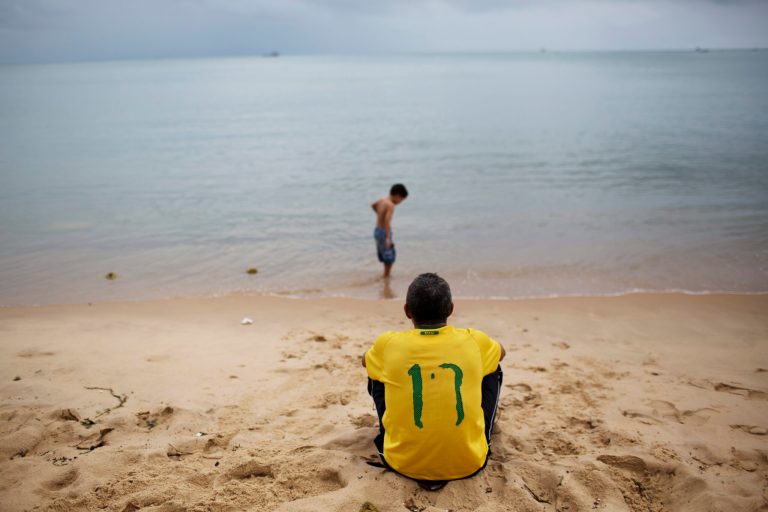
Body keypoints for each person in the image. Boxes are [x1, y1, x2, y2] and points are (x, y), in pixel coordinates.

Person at [362, 273, 505, 490]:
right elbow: (502, 353)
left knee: (377, 373)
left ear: (407, 311)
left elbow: (364, 361)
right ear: (451, 309)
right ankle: (484, 428)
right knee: (493, 368)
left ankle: (395, 433)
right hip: (470, 462)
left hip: (401, 462)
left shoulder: (389, 343)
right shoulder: (474, 340)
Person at [371, 184, 408, 278]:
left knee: (384, 253)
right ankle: (386, 276)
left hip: (377, 230)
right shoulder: (391, 205)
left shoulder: (382, 200)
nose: (400, 202)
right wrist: (388, 237)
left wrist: (379, 215)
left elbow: (373, 205)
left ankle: (385, 275)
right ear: (397, 196)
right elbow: (387, 221)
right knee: (389, 256)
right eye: (401, 200)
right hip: (384, 232)